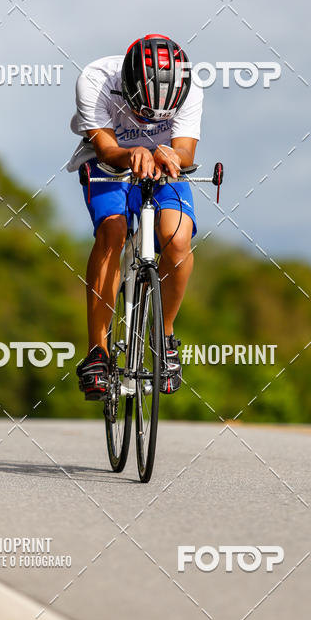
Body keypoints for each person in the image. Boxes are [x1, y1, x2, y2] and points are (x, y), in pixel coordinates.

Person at [67, 33, 203, 400]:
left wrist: (163, 153)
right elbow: (108, 148)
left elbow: (185, 152)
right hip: (109, 163)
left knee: (177, 240)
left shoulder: (189, 85)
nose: (148, 119)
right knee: (112, 230)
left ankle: (165, 337)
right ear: (126, 86)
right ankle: (98, 351)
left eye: (159, 116)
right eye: (141, 111)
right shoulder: (96, 79)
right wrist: (134, 153)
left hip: (162, 163)